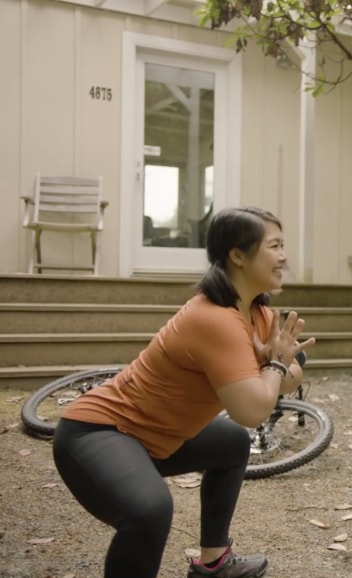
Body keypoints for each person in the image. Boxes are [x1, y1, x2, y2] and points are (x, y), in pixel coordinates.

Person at [52, 207, 315, 578]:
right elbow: (254, 410)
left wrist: (274, 367)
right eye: (275, 246)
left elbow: (291, 375)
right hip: (98, 432)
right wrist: (272, 366)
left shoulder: (259, 314)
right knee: (150, 510)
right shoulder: (213, 318)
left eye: (283, 245)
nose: (284, 256)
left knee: (230, 443)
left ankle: (214, 563)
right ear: (237, 255)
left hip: (153, 436)